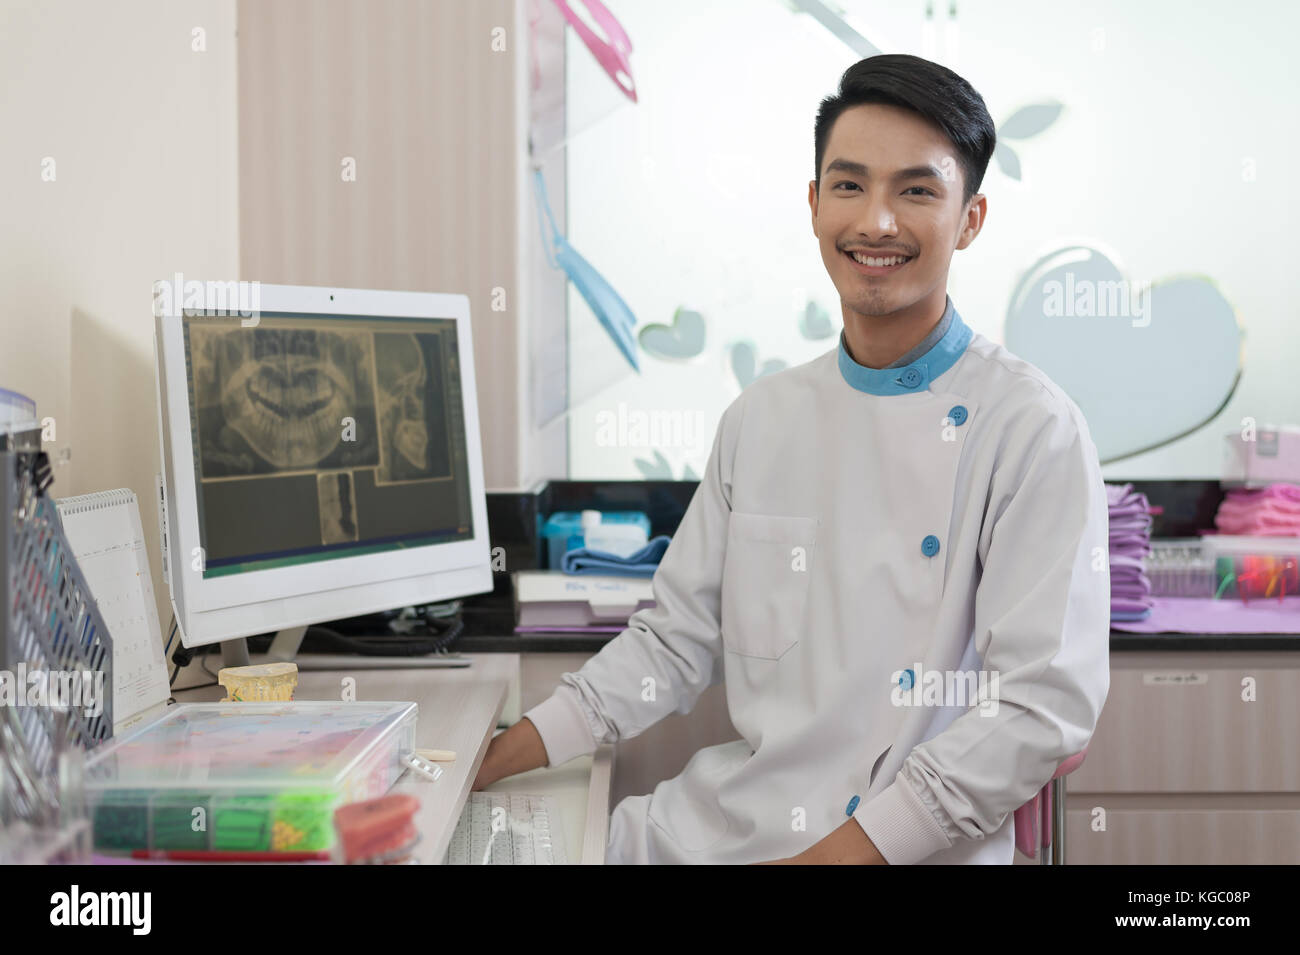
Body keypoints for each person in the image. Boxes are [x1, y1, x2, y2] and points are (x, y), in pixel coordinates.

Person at [473, 53, 1111, 865]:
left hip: (905, 846)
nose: (876, 222)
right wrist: (503, 752)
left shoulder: (1031, 429)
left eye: (916, 191)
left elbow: (1037, 707)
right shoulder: (763, 419)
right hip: (724, 825)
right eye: (849, 186)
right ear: (814, 205)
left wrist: (833, 858)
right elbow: (674, 641)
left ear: (970, 218)